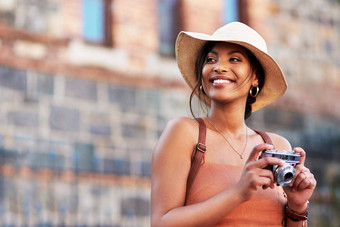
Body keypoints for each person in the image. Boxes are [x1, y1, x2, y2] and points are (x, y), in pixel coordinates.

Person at [151, 22, 316, 226]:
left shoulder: (277, 146)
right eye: (211, 59)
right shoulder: (184, 133)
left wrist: (298, 207)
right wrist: (239, 192)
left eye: (234, 59)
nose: (219, 67)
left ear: (255, 77)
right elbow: (161, 222)